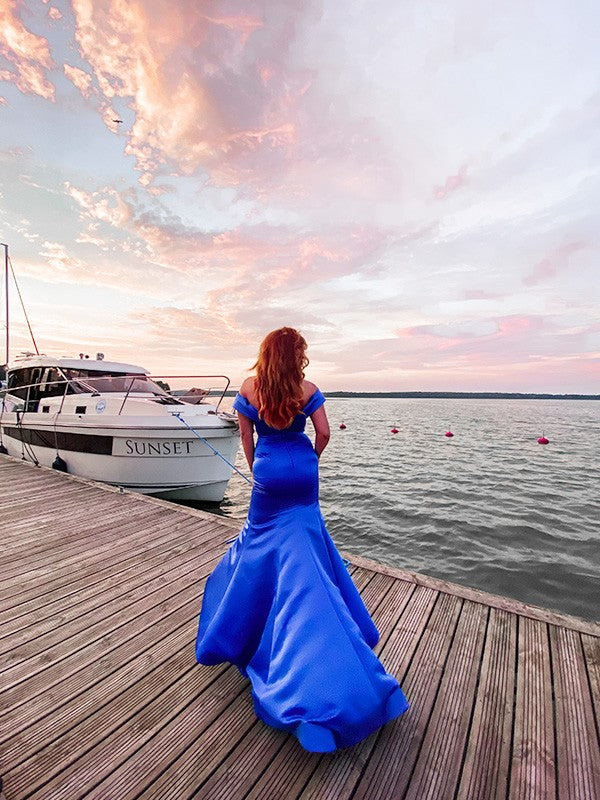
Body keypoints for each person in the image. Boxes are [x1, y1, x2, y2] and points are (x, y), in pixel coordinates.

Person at [195, 327, 409, 752]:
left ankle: (245, 634)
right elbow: (324, 432)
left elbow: (246, 437)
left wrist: (261, 469)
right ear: (298, 357)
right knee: (309, 558)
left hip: (271, 471)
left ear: (265, 354)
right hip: (304, 471)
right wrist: (309, 459)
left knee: (258, 551)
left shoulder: (250, 387)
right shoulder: (307, 388)